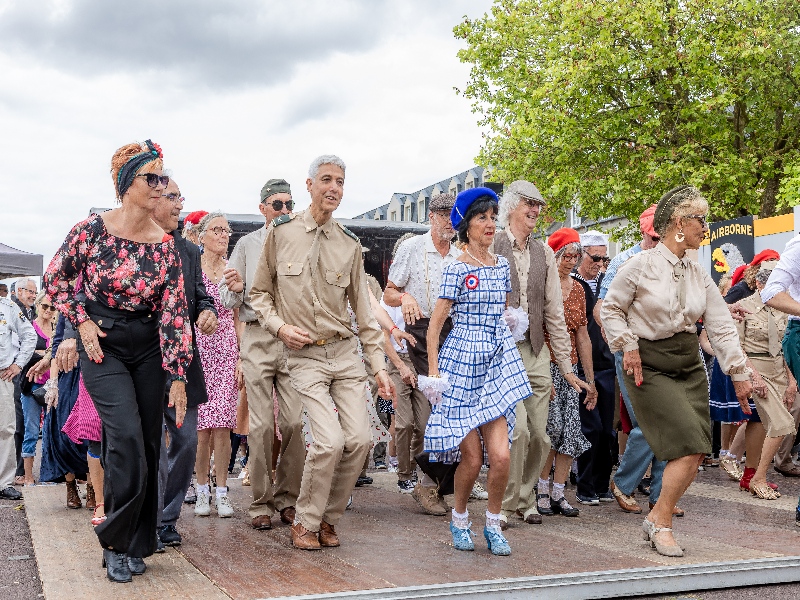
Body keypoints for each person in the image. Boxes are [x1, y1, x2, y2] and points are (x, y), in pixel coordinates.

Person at [44, 139, 192, 582]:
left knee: (148, 445)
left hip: (148, 348)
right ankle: (114, 540)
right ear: (127, 183)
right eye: (153, 178)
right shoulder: (91, 231)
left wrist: (178, 376)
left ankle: (137, 541)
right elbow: (56, 280)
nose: (161, 185)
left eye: (164, 178)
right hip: (102, 344)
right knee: (124, 438)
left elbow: (174, 313)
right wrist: (81, 322)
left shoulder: (165, 245)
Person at [249, 155, 393, 550]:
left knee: (359, 441)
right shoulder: (281, 233)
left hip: (344, 355)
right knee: (328, 442)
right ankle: (305, 522)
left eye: (340, 182)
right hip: (305, 357)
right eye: (326, 179)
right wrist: (280, 327)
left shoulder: (349, 244)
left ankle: (328, 519)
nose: (334, 188)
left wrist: (378, 366)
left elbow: (364, 313)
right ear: (309, 185)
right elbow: (259, 293)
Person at [601, 185, 751, 557]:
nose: (706, 227)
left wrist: (739, 372)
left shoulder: (698, 272)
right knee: (686, 446)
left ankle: (656, 516)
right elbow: (610, 310)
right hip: (648, 364)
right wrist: (627, 343)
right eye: (701, 220)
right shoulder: (639, 265)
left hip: (689, 363)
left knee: (697, 448)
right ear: (679, 223)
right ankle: (661, 521)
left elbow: (721, 327)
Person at [422, 187, 532, 556]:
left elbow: (502, 310)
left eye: (492, 217)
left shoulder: (501, 265)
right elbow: (435, 326)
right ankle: (459, 518)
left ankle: (493, 523)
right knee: (471, 458)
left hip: (495, 364)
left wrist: (509, 323)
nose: (489, 224)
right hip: (461, 366)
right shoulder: (456, 267)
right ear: (466, 225)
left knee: (500, 456)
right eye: (481, 217)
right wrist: (434, 375)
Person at [493, 180, 588, 528]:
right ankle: (505, 505)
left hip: (536, 349)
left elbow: (553, 313)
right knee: (517, 430)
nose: (535, 211)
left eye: (538, 206)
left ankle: (526, 499)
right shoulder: (491, 242)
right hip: (502, 351)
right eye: (529, 204)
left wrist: (566, 365)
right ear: (511, 207)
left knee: (540, 434)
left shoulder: (544, 252)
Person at [219, 178, 305, 531]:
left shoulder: (302, 242)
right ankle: (260, 503)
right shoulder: (246, 244)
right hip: (257, 337)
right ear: (263, 208)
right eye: (277, 204)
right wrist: (238, 289)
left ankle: (287, 499)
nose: (285, 210)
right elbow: (226, 298)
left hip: (292, 338)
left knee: (295, 423)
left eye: (289, 204)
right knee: (262, 426)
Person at [383, 193, 462, 515]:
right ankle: (427, 485)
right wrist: (405, 297)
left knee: (454, 411)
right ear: (431, 217)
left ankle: (447, 481)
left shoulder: (461, 253)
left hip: (454, 332)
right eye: (444, 215)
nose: (449, 222)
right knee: (432, 413)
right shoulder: (412, 248)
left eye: (454, 216)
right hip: (420, 332)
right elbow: (388, 293)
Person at [151, 180, 218, 548]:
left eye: (181, 197)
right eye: (173, 197)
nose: (180, 205)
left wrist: (207, 311)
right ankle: (150, 519)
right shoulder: (135, 244)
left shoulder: (189, 251)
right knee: (151, 446)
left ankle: (168, 517)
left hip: (183, 363)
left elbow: (200, 296)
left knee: (186, 441)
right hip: (145, 361)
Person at [594, 204, 667, 516]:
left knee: (666, 422)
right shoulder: (623, 261)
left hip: (665, 351)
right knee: (648, 423)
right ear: (642, 232)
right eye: (653, 236)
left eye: (661, 236)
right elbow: (600, 308)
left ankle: (661, 496)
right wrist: (621, 341)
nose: (657, 242)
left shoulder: (675, 262)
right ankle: (623, 483)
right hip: (632, 351)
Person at [534, 228, 597, 518]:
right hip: (545, 365)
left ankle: (559, 492)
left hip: (571, 368)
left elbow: (583, 335)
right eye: (566, 256)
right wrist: (542, 373)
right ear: (555, 255)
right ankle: (541, 489)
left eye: (575, 256)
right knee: (552, 429)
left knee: (571, 430)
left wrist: (590, 380)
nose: (571, 261)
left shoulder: (580, 289)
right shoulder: (542, 285)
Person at [732, 264, 795, 499]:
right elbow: (737, 347)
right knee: (781, 424)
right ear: (759, 283)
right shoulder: (744, 306)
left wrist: (791, 381)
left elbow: (782, 346)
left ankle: (751, 475)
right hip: (755, 368)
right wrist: (754, 376)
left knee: (767, 425)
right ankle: (758, 478)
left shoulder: (783, 308)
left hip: (779, 370)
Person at [192, 211, 238, 518]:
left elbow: (238, 315)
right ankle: (201, 490)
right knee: (201, 429)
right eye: (217, 229)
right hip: (199, 348)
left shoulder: (232, 270)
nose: (223, 235)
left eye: (226, 230)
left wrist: (241, 356)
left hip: (227, 349)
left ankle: (222, 490)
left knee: (223, 425)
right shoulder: (192, 269)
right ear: (202, 236)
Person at [572, 230, 616, 506]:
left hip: (607, 363)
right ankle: (585, 485)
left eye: (604, 259)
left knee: (607, 429)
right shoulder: (571, 282)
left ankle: (601, 483)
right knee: (591, 427)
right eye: (595, 258)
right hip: (581, 365)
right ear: (581, 255)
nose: (600, 264)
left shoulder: (607, 283)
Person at [381, 234, 427, 493]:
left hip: (422, 361)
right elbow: (382, 336)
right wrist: (399, 366)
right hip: (398, 362)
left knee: (424, 424)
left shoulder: (424, 290)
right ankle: (404, 474)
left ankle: (419, 469)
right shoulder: (388, 296)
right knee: (404, 422)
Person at [0, 293, 36, 501]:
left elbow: (30, 336)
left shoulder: (8, 307)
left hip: (2, 375)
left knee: (5, 429)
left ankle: (4, 483)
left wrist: (18, 364)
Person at [19, 292, 56, 487]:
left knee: (51, 433)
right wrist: (48, 356)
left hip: (53, 387)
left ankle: (48, 475)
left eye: (52, 307)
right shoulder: (30, 328)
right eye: (45, 306)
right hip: (32, 386)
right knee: (31, 431)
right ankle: (28, 476)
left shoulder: (56, 328)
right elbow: (24, 353)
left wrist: (44, 354)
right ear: (38, 305)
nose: (48, 311)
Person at [11, 277, 36, 486]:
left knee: (25, 425)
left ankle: (20, 470)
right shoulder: (13, 311)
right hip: (16, 372)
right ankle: (17, 471)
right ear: (19, 291)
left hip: (29, 374)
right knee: (18, 424)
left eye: (35, 292)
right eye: (30, 292)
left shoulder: (31, 312)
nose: (33, 296)